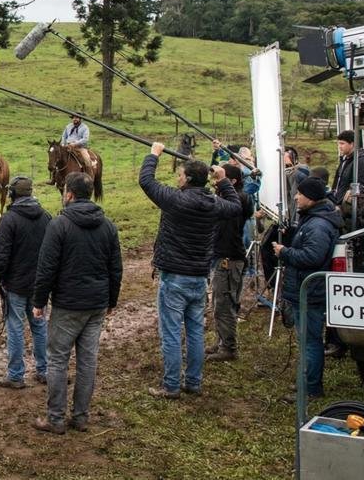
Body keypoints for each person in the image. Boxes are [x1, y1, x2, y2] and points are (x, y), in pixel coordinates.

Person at [139, 142, 242, 398]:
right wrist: (223, 181)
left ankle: (171, 385)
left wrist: (154, 155)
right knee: (196, 331)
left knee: (172, 333)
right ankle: (193, 382)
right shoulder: (213, 204)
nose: (178, 178)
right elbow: (235, 206)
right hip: (199, 277)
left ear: (188, 179)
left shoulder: (175, 200)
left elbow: (146, 181)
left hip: (174, 276)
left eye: (180, 174)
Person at [31, 171, 122, 434]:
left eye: (63, 192)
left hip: (68, 305)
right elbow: (116, 268)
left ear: (69, 194)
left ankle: (56, 419)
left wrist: (39, 301)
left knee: (58, 360)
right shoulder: (108, 226)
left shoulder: (59, 225)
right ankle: (81, 417)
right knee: (87, 361)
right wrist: (111, 300)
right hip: (96, 305)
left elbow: (46, 267)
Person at [272, 176, 342, 401]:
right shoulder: (313, 219)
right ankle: (307, 380)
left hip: (311, 290)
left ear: (310, 198)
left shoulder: (319, 225)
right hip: (307, 287)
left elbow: (312, 257)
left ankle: (311, 388)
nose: (295, 197)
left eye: (299, 194)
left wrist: (284, 252)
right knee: (306, 340)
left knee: (310, 341)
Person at [0, 176, 51, 390]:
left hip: (15, 285)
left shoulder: (8, 220)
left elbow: (1, 255)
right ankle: (44, 371)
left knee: (15, 327)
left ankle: (16, 376)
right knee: (40, 325)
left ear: (13, 195)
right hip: (39, 285)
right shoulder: (46, 217)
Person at [206, 163, 254, 362]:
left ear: (231, 181)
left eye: (219, 179)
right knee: (220, 303)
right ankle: (221, 341)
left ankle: (228, 347)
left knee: (225, 304)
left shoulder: (239, 199)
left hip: (229, 259)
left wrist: (222, 184)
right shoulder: (232, 198)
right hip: (225, 256)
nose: (215, 183)